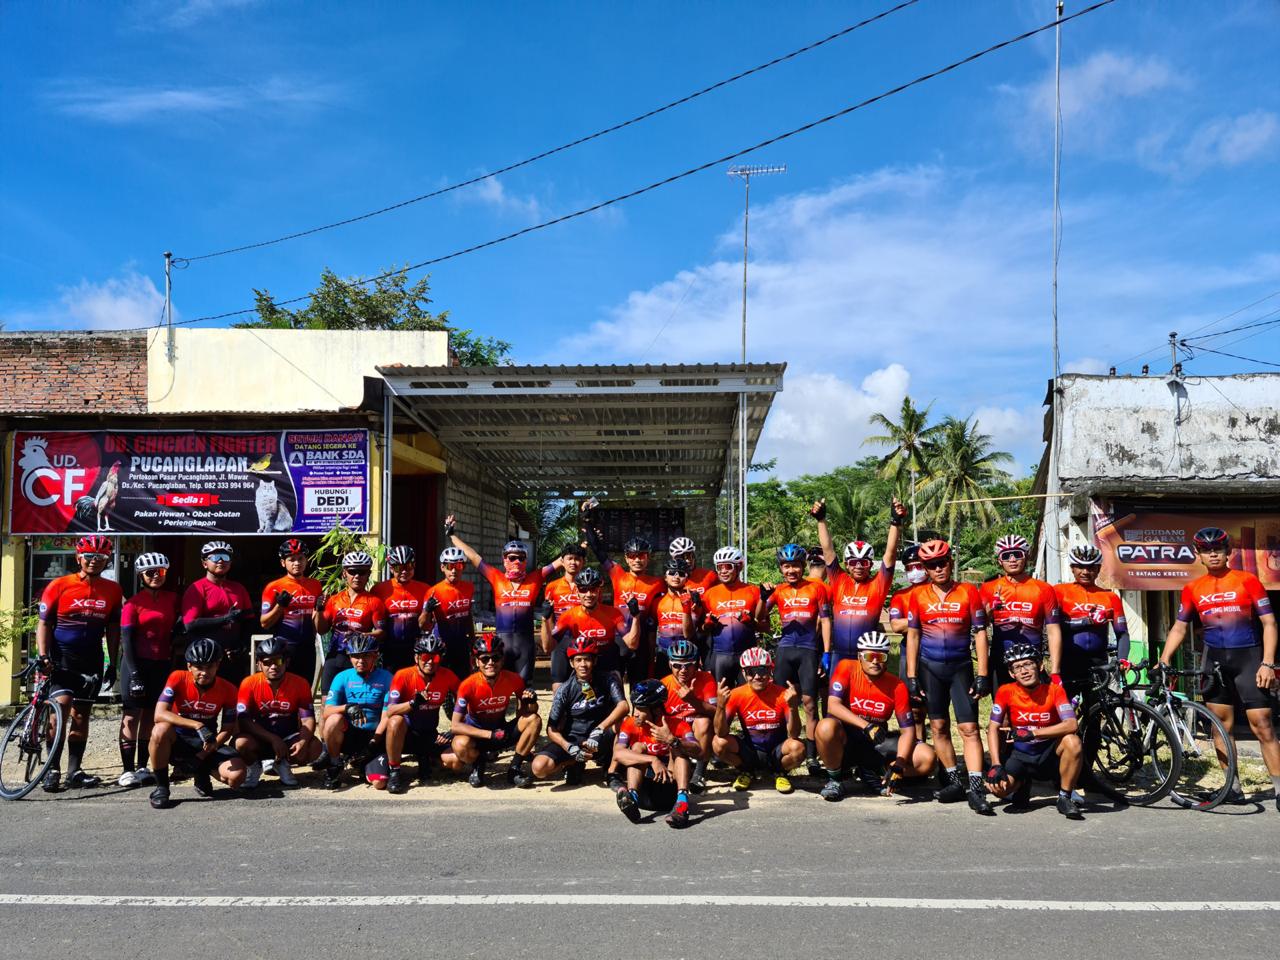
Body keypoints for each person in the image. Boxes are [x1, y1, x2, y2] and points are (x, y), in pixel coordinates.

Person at [1159, 526, 1280, 810]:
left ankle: (1278, 790)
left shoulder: (1247, 580)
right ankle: (1232, 788)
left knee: (1263, 726)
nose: (1213, 553)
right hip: (1213, 662)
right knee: (1219, 729)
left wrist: (1268, 663)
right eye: (1206, 549)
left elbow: (1269, 623)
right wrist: (1164, 658)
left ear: (1229, 552)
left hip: (1249, 659)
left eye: (1218, 549)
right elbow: (1179, 627)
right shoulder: (1192, 589)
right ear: (1198, 554)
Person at [904, 539, 993, 814]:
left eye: (942, 562)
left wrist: (983, 674)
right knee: (939, 727)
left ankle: (976, 787)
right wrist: (911, 675)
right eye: (932, 565)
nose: (938, 568)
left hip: (961, 668)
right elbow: (913, 636)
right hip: (930, 668)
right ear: (926, 569)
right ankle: (954, 780)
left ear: (951, 562)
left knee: (969, 728)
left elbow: (979, 633)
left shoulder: (968, 591)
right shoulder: (918, 595)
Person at [37, 535, 122, 791]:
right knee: (58, 713)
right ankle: (52, 769)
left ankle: (75, 771)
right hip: (62, 657)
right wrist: (43, 656)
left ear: (107, 561)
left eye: (100, 557)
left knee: (81, 716)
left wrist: (113, 662)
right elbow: (45, 623)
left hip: (92, 658)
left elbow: (113, 628)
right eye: (89, 556)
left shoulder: (113, 590)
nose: (94, 561)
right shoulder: (60, 584)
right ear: (78, 557)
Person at [815, 632, 936, 801]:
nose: (875, 661)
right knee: (825, 726)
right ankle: (835, 779)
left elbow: (908, 731)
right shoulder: (846, 667)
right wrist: (867, 725)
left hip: (876, 744)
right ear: (859, 657)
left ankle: (879, 774)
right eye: (869, 656)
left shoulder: (897, 685)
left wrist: (900, 765)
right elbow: (833, 705)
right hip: (845, 741)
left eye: (881, 657)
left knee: (927, 757)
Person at [445, 514, 561, 684]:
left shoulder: (535, 578)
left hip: (525, 645)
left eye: (521, 558)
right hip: (502, 646)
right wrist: (452, 535)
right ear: (504, 559)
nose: (516, 561)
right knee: (500, 691)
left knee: (524, 692)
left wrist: (583, 543)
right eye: (512, 557)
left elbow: (563, 560)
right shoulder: (496, 577)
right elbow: (474, 557)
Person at [985, 643, 1084, 819]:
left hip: (1049, 755)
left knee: (1073, 741)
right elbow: (993, 728)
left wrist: (1034, 733)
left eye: (1028, 664)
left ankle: (1064, 796)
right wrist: (995, 763)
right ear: (1011, 673)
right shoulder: (1005, 691)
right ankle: (1023, 784)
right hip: (1021, 756)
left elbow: (1071, 724)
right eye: (1017, 667)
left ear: (1039, 666)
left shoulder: (1055, 690)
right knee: (998, 790)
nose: (1023, 671)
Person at [148, 639, 246, 810]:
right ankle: (162, 787)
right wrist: (197, 725)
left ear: (218, 665)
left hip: (208, 743)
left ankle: (201, 773)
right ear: (189, 666)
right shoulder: (177, 677)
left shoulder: (229, 689)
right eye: (199, 667)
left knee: (236, 777)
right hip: (178, 739)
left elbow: (227, 729)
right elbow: (159, 714)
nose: (204, 672)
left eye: (209, 667)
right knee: (159, 730)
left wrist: (201, 756)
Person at [813, 497, 907, 671]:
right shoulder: (839, 580)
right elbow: (828, 550)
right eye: (853, 562)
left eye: (863, 562)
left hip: (867, 655)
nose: (858, 566)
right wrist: (821, 520)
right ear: (846, 564)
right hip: (839, 654)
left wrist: (895, 523)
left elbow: (890, 555)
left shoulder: (878, 585)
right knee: (836, 698)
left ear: (871, 565)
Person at [762, 542, 832, 774]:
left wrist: (827, 653)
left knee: (810, 704)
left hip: (808, 650)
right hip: (784, 650)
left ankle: (812, 757)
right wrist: (763, 599)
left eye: (795, 566)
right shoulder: (778, 590)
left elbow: (826, 621)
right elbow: (760, 617)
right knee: (781, 703)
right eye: (786, 566)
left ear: (803, 566)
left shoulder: (816, 588)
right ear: (781, 568)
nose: (791, 570)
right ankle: (781, 749)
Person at [117, 551, 179, 788]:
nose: (156, 576)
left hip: (161, 664)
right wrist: (134, 674)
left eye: (160, 572)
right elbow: (127, 640)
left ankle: (143, 766)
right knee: (131, 716)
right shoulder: (133, 603)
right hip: (136, 663)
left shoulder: (172, 599)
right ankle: (127, 769)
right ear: (141, 576)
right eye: (150, 573)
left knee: (151, 717)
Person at [532, 637, 629, 785]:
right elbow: (551, 729)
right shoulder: (564, 689)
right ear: (571, 663)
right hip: (574, 738)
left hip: (601, 737)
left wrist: (600, 729)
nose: (583, 664)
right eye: (578, 660)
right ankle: (573, 763)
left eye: (587, 659)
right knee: (539, 767)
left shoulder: (608, 679)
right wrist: (569, 747)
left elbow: (623, 706)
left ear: (595, 661)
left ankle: (612, 770)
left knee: (623, 721)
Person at [451, 635, 542, 788]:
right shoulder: (467, 685)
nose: (491, 663)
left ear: (502, 659)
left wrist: (531, 703)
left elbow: (525, 714)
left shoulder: (514, 679)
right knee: (460, 744)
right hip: (478, 736)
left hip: (502, 732)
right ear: (476, 661)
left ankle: (514, 769)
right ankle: (479, 764)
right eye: (485, 659)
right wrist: (489, 735)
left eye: (495, 658)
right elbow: (455, 726)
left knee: (534, 720)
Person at [713, 647, 806, 793]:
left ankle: (779, 772)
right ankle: (746, 771)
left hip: (777, 751)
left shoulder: (782, 694)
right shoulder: (736, 694)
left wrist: (793, 707)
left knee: (798, 748)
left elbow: (794, 735)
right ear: (744, 673)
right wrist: (720, 706)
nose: (757, 676)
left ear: (770, 671)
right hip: (750, 751)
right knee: (718, 743)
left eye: (762, 670)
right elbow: (720, 732)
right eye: (751, 671)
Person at [235, 636, 322, 789]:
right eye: (267, 662)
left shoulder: (300, 683)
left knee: (314, 747)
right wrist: (273, 739)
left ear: (286, 662)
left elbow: (308, 719)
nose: (273, 666)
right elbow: (243, 721)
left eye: (278, 661)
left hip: (289, 737)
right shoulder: (248, 683)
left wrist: (302, 741)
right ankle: (254, 766)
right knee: (241, 743)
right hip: (259, 738)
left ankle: (283, 763)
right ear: (259, 664)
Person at [613, 678, 701, 828]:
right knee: (637, 748)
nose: (635, 713)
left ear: (656, 709)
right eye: (635, 707)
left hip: (671, 791)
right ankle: (631, 798)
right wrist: (653, 760)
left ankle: (682, 805)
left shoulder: (678, 724)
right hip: (644, 793)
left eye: (641, 709)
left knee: (678, 748)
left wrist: (673, 740)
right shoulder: (630, 724)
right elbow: (618, 754)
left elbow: (698, 750)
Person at [583, 526, 664, 686]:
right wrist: (588, 522)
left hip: (640, 641)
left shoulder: (657, 583)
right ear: (626, 558)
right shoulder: (617, 574)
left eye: (641, 555)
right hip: (617, 639)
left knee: (640, 686)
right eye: (633, 556)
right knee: (613, 684)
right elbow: (600, 553)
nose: (637, 560)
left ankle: (638, 711)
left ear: (648, 557)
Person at [979, 534, 1062, 688]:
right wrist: (990, 610)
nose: (1012, 560)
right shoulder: (988, 588)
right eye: (1006, 556)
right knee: (1002, 709)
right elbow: (979, 628)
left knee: (1033, 709)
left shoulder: (1044, 589)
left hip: (1031, 660)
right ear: (999, 560)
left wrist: (1055, 671)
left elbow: (1053, 630)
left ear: (1026, 556)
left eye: (1017, 554)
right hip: (1000, 658)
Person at [382, 635, 462, 794]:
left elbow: (467, 703)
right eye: (425, 657)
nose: (431, 662)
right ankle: (395, 771)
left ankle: (427, 758)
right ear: (416, 657)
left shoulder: (447, 675)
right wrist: (413, 703)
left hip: (430, 734)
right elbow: (390, 710)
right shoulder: (403, 675)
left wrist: (454, 730)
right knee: (395, 722)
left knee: (456, 763)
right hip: (406, 735)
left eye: (435, 657)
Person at [1052, 544, 1129, 702]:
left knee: (1095, 710)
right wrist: (1086, 621)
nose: (1086, 572)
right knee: (1064, 713)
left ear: (1099, 569)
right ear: (1072, 568)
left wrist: (1122, 659)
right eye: (1080, 567)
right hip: (1067, 660)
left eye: (1091, 567)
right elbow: (1054, 627)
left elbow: (1122, 634)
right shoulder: (1059, 592)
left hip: (1099, 662)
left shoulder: (1110, 597)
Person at [320, 634, 394, 790]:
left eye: (366, 655)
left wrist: (373, 743)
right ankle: (334, 765)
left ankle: (363, 765)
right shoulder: (342, 677)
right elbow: (327, 711)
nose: (361, 661)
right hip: (350, 735)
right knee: (333, 720)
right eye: (356, 656)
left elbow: (387, 714)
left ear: (376, 655)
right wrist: (347, 707)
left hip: (374, 736)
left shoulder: (387, 678)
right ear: (349, 656)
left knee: (379, 784)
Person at [181, 540, 255, 685]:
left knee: (233, 699)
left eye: (225, 557)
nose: (221, 561)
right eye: (214, 557)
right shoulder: (196, 588)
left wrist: (242, 645)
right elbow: (190, 624)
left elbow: (249, 620)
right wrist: (225, 619)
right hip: (204, 659)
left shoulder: (239, 589)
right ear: (204, 563)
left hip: (231, 655)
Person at [314, 550, 388, 694]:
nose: (357, 576)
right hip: (335, 656)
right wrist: (319, 610)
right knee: (326, 701)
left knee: (353, 699)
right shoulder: (334, 600)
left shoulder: (375, 602)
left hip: (358, 658)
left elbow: (382, 632)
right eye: (352, 571)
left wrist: (362, 636)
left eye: (362, 572)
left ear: (368, 575)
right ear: (344, 574)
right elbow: (321, 629)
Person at [548, 567, 641, 679]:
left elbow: (632, 644)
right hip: (584, 666)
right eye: (583, 589)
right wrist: (545, 619)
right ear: (577, 592)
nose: (588, 594)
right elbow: (548, 646)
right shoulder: (568, 615)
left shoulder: (614, 613)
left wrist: (636, 616)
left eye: (593, 589)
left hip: (607, 664)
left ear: (599, 591)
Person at [260, 538, 323, 689]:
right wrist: (280, 606)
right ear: (283, 563)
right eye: (291, 559)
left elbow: (318, 624)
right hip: (283, 648)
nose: (297, 563)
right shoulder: (274, 587)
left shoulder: (315, 585)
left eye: (300, 558)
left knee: (304, 688)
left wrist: (320, 610)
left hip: (307, 647)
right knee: (283, 689)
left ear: (306, 560)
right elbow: (264, 623)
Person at [699, 546, 765, 684]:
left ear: (739, 567)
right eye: (719, 567)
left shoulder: (753, 591)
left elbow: (766, 627)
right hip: (719, 655)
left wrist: (751, 622)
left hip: (746, 655)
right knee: (721, 699)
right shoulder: (709, 594)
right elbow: (700, 630)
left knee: (747, 698)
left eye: (727, 566)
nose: (723, 571)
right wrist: (707, 625)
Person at [661, 638, 717, 792]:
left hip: (697, 730)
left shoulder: (706, 679)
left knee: (704, 722)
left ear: (697, 664)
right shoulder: (663, 685)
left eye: (688, 665)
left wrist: (692, 700)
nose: (683, 670)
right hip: (676, 734)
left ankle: (699, 773)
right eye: (677, 665)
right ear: (670, 665)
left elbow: (717, 712)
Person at [372, 544, 432, 673]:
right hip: (389, 649)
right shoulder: (379, 589)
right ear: (391, 568)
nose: (404, 571)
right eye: (399, 567)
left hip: (416, 647)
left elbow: (429, 623)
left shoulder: (425, 589)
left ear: (414, 565)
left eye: (408, 566)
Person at [422, 546, 476, 681]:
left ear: (463, 566)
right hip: (442, 645)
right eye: (449, 565)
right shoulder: (433, 591)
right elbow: (422, 625)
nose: (453, 570)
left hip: (462, 643)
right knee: (441, 681)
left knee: (463, 681)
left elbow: (468, 615)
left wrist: (473, 638)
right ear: (442, 567)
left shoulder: (469, 587)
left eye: (458, 565)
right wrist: (426, 610)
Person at [542, 543, 587, 690]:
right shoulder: (552, 586)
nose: (573, 562)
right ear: (562, 561)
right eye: (570, 558)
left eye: (577, 559)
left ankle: (585, 711)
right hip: (560, 641)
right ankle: (559, 712)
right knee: (559, 684)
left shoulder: (589, 587)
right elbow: (549, 617)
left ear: (583, 562)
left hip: (583, 640)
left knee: (585, 683)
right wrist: (549, 640)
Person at [652, 557, 697, 680]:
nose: (676, 577)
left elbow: (689, 634)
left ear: (687, 578)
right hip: (663, 653)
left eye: (681, 574)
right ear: (665, 577)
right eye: (672, 573)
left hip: (685, 654)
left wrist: (687, 608)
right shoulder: (657, 600)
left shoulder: (693, 599)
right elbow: (651, 631)